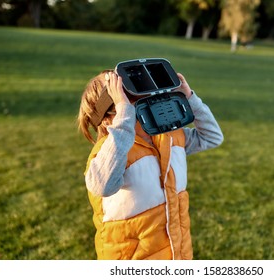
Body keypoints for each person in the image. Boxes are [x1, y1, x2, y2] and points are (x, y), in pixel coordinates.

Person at [78, 69, 223, 260]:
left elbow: (212, 137)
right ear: (107, 118)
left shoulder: (168, 137)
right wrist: (124, 116)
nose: (144, 103)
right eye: (129, 101)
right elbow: (101, 186)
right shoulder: (108, 152)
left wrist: (189, 98)